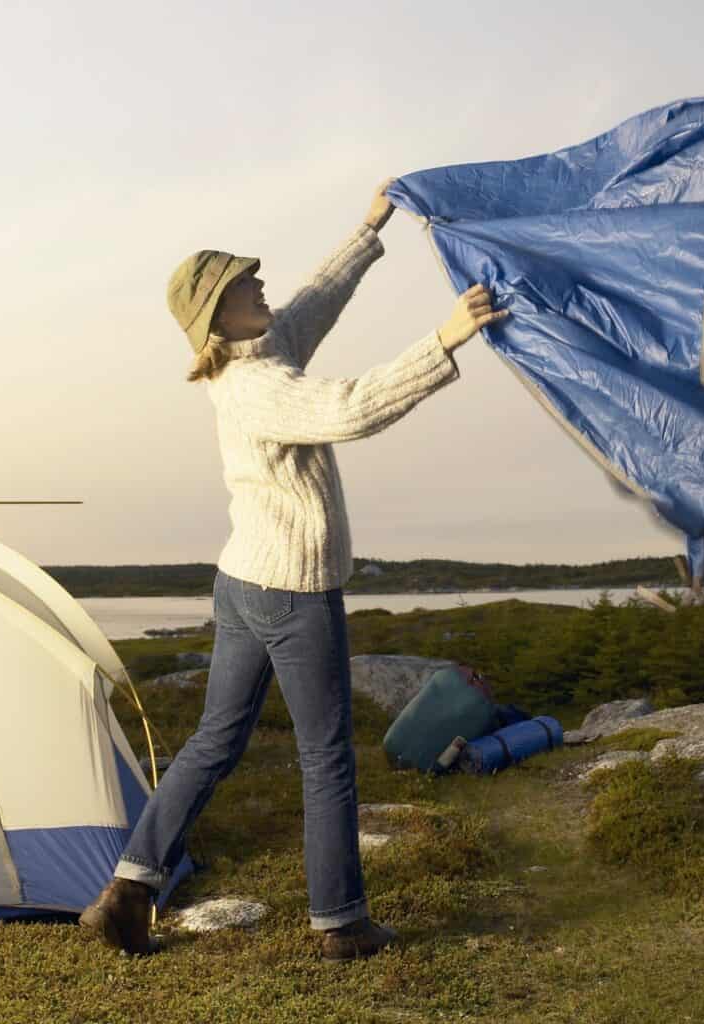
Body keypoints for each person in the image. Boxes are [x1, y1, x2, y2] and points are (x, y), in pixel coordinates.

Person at [79, 181, 509, 961]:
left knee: (214, 740)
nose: (262, 282)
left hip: (243, 582)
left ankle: (129, 890)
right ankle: (341, 924)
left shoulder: (257, 351)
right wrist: (442, 341)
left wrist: (369, 228)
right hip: (291, 592)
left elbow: (317, 295)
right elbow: (347, 407)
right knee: (326, 755)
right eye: (247, 282)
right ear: (220, 312)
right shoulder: (257, 385)